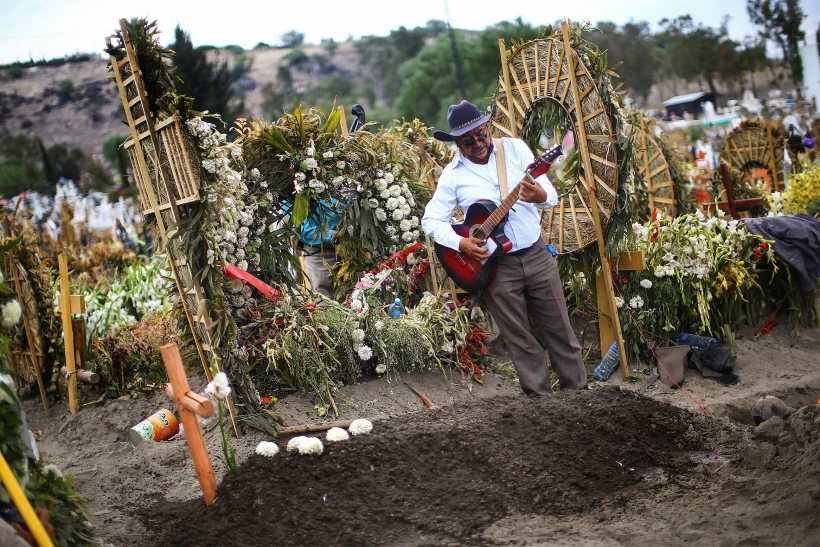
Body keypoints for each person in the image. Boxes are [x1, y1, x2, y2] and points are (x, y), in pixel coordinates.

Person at [422, 100, 587, 397]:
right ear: (457, 143)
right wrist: (462, 243)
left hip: (536, 254)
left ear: (488, 128)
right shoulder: (452, 175)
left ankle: (579, 395)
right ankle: (541, 402)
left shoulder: (515, 149)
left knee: (560, 328)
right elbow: (431, 220)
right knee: (519, 338)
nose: (478, 144)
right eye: (468, 141)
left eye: (481, 135)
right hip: (496, 267)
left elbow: (548, 192)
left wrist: (540, 195)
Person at [298, 199, 343, 299]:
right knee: (323, 298)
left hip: (352, 250)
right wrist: (330, 235)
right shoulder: (302, 192)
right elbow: (301, 229)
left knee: (354, 296)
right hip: (320, 252)